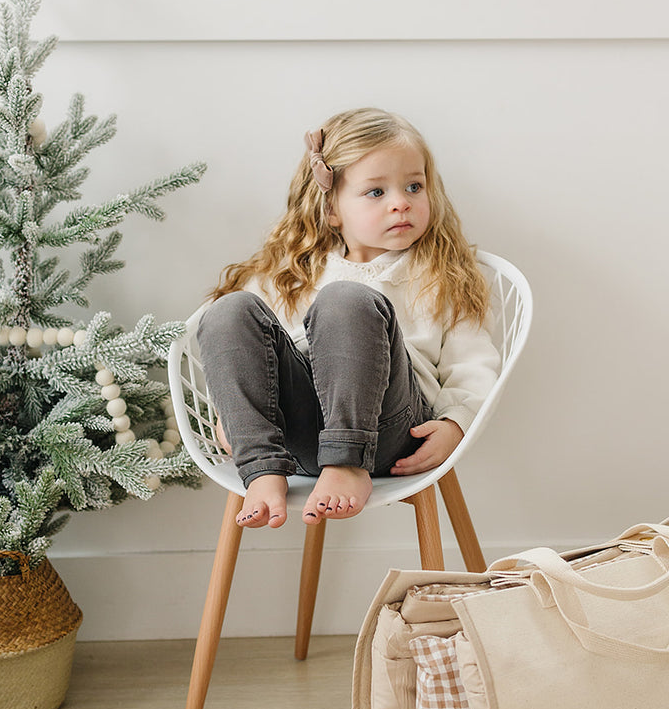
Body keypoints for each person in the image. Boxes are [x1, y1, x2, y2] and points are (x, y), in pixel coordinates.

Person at [198, 107, 500, 530]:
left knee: (346, 301)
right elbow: (243, 352)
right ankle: (262, 468)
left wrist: (455, 424)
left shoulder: (442, 273)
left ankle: (347, 462)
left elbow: (473, 365)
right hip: (300, 436)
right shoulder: (292, 272)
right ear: (331, 208)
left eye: (414, 186)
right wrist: (236, 416)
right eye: (376, 192)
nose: (401, 203)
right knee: (228, 311)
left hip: (394, 431)